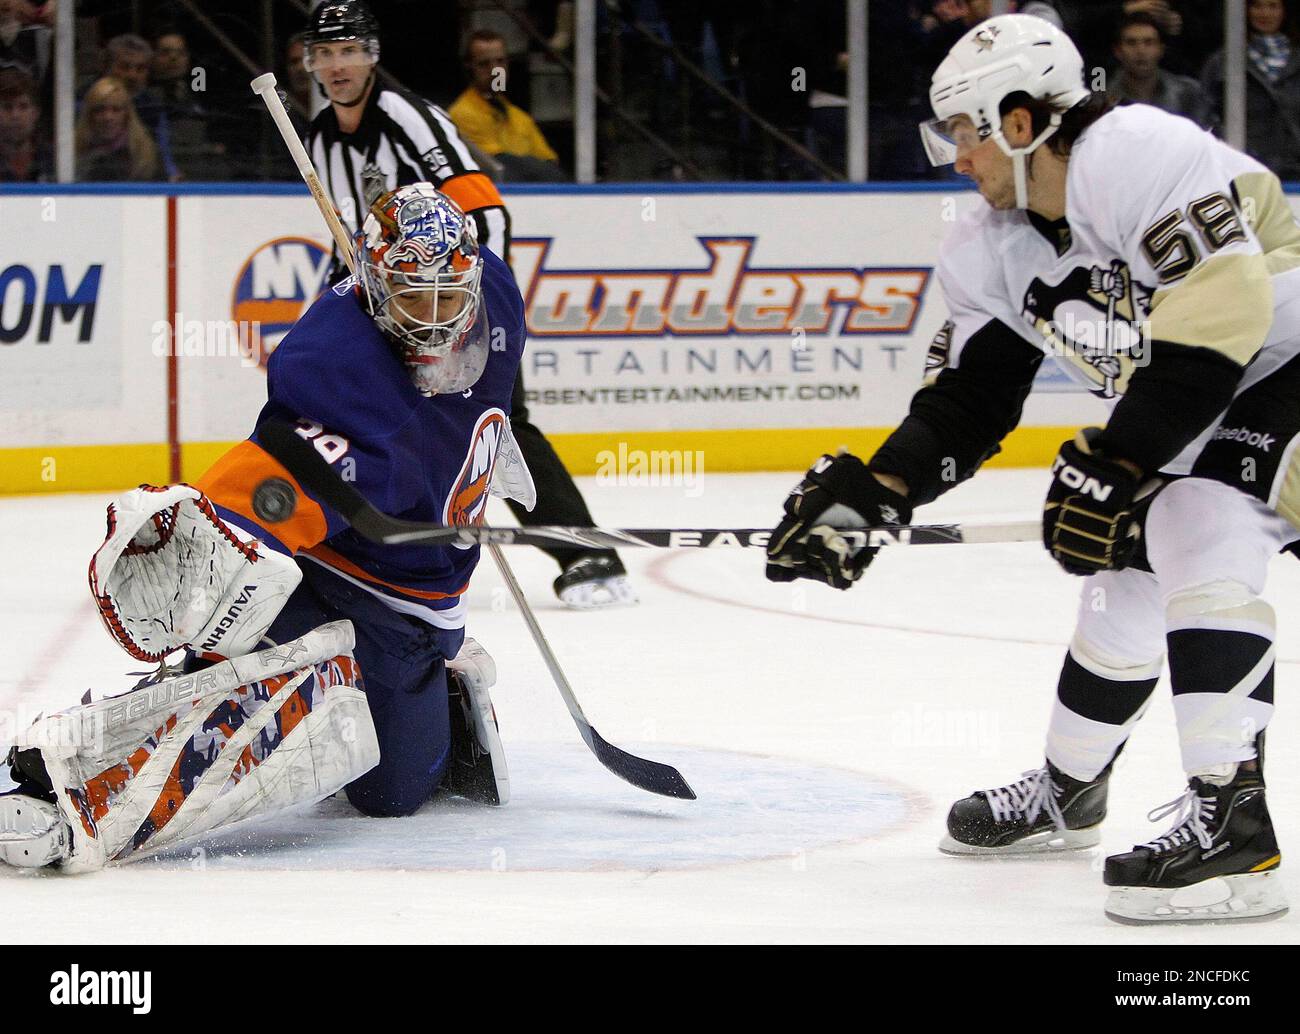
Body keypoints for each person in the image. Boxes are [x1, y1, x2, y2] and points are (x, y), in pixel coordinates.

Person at [768, 13, 1297, 924]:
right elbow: (970, 403)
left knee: (1191, 517)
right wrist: (873, 495)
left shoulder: (1134, 151)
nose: (954, 159)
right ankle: (1070, 793)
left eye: (963, 135)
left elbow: (1224, 308)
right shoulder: (986, 243)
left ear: (1020, 122)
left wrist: (1117, 458)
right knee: (1125, 569)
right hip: (1207, 394)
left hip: (1284, 362)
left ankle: (1234, 835)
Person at [0, 185, 524, 870]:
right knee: (257, 682)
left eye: (446, 299)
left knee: (393, 792)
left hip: (420, 610)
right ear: (369, 283)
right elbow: (282, 474)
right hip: (327, 577)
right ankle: (86, 775)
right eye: (409, 298)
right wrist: (214, 531)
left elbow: (463, 197)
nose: (431, 321)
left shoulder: (499, 298)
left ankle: (434, 685)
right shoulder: (338, 368)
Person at [303, 0, 635, 609]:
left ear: (371, 55)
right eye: (326, 52)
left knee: (497, 420)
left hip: (456, 299)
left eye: (349, 49)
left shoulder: (407, 118)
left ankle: (586, 550)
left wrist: (472, 306)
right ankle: (344, 545)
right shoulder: (321, 137)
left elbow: (484, 208)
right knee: (345, 412)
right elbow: (349, 239)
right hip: (394, 305)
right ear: (311, 62)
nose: (338, 64)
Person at [448, 29, 565, 183]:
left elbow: (550, 163)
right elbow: (497, 168)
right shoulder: (461, 113)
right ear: (470, 67)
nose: (495, 70)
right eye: (484, 64)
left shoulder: (520, 117)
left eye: (500, 61)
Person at [1202, 0, 1300, 180]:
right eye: (1257, 6)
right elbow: (1206, 113)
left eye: (1272, 6)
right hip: (1242, 170)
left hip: (1295, 171)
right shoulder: (1221, 62)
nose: (1265, 13)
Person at [1106, 11, 1214, 128]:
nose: (1140, 51)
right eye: (1131, 43)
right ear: (1118, 51)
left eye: (1149, 42)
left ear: (1161, 50)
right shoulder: (1102, 100)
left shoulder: (1188, 94)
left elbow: (1208, 139)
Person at [102, 34, 178, 181]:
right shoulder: (86, 101)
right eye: (125, 67)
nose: (132, 75)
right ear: (107, 67)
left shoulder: (152, 107)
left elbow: (164, 155)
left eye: (140, 69)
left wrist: (171, 175)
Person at [74, 76, 159, 181]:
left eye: (116, 110)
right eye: (100, 109)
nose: (108, 117)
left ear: (127, 114)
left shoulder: (145, 153)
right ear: (89, 115)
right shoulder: (73, 151)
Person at [0, 66, 51, 181]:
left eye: (23, 106)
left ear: (36, 113)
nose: (15, 115)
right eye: (7, 107)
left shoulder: (53, 160)